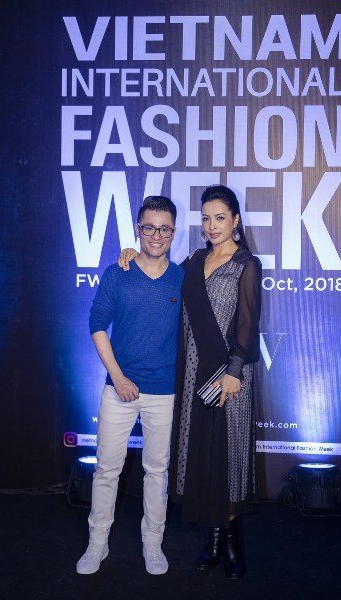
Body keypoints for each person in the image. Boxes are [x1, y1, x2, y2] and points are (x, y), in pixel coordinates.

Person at [119, 184, 262, 580]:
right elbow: (160, 273)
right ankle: (213, 539)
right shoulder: (194, 260)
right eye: (206, 218)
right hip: (193, 371)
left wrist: (234, 371)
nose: (212, 225)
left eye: (220, 218)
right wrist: (132, 253)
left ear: (235, 220)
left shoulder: (246, 264)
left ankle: (232, 542)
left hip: (229, 375)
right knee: (202, 455)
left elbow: (249, 322)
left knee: (227, 457)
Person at [76, 196, 184, 576]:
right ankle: (97, 543)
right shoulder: (117, 272)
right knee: (106, 470)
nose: (156, 235)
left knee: (157, 472)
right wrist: (119, 377)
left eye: (164, 228)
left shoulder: (183, 278)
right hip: (118, 389)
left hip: (164, 391)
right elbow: (96, 323)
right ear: (138, 229)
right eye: (149, 227)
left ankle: (152, 544)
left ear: (174, 232)